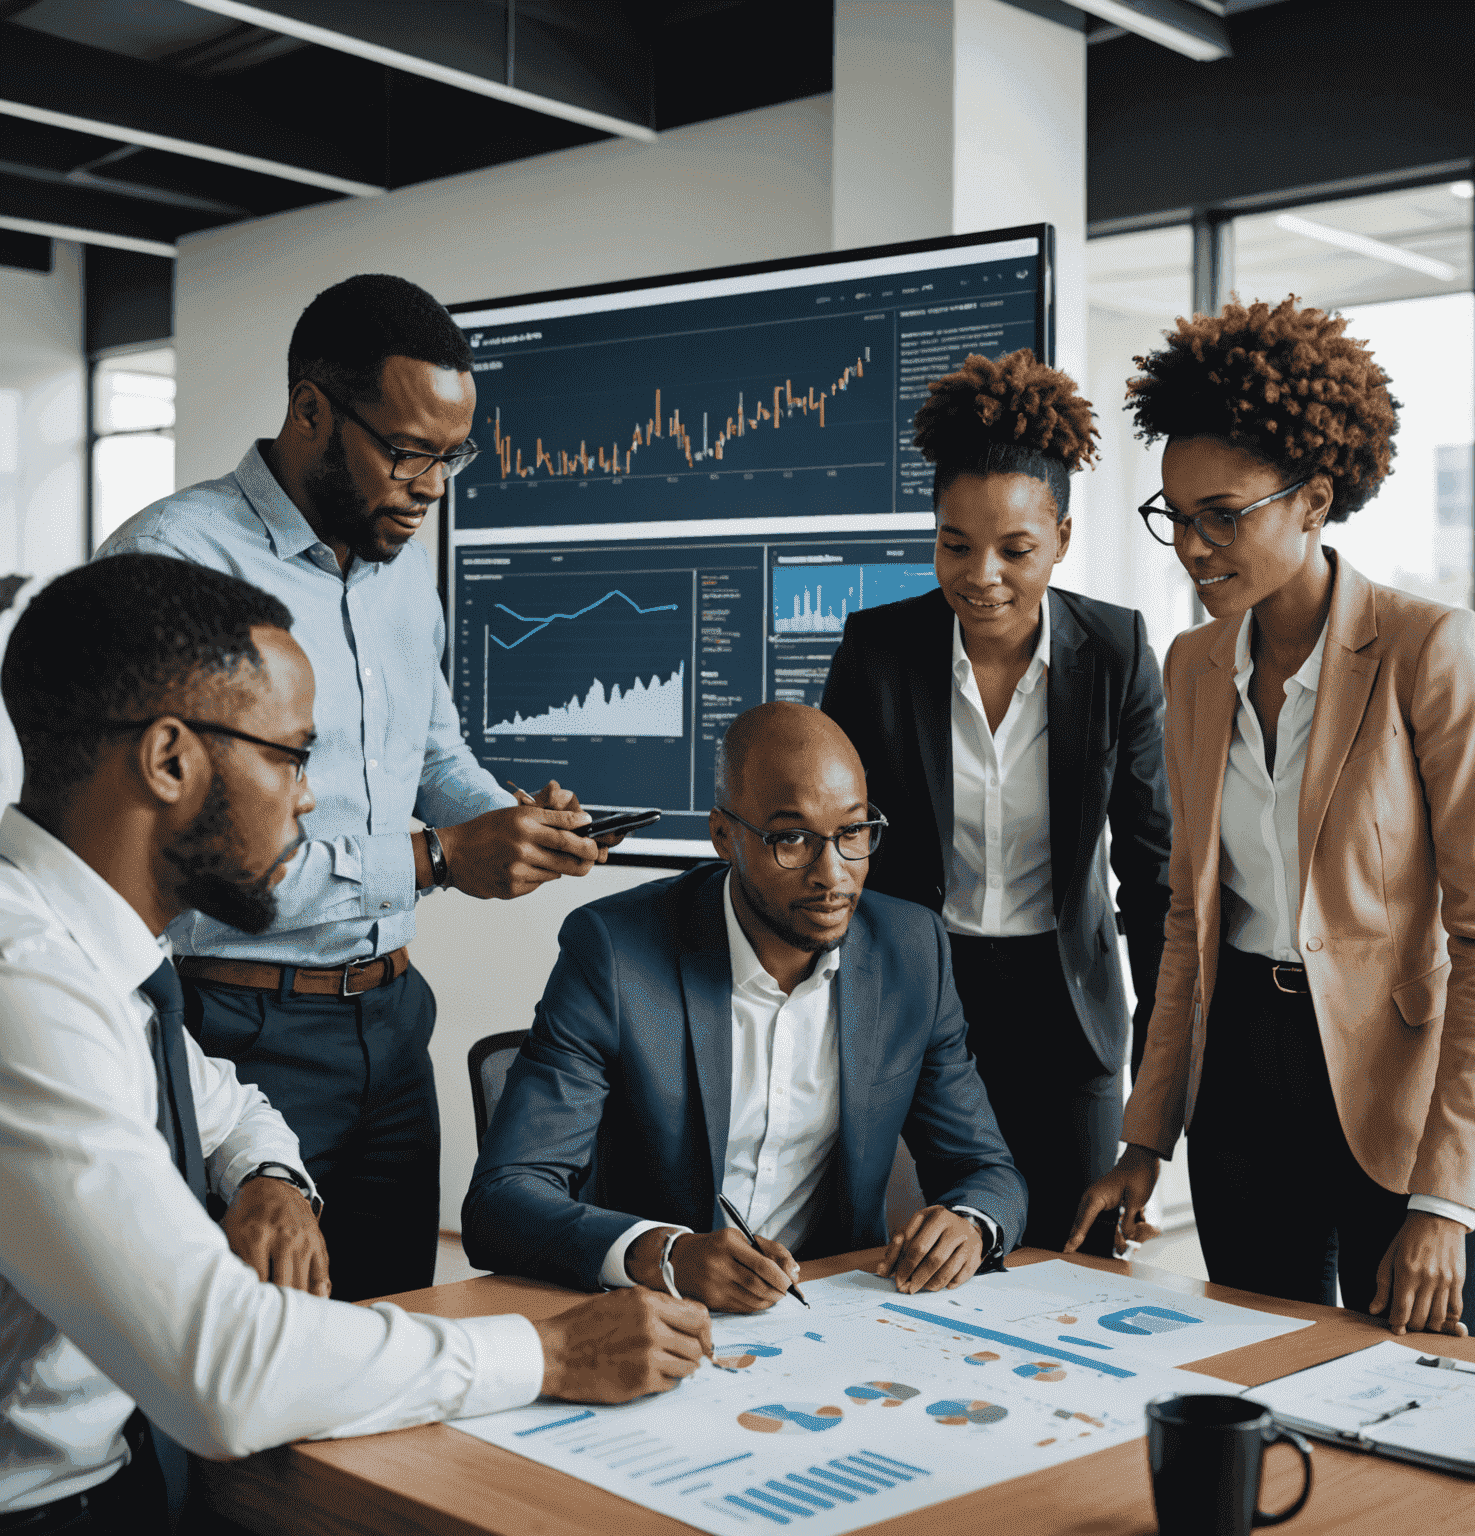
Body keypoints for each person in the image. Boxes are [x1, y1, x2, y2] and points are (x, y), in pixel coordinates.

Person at [0, 554, 712, 1534]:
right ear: (170, 761)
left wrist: (271, 1183)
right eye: (293, 756)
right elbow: (227, 1370)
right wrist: (548, 1353)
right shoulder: (25, 986)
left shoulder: (98, 952)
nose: (307, 801)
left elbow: (228, 1105)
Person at [95, 274, 616, 1301]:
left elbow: (433, 758)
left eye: (450, 458)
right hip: (234, 1034)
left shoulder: (400, 568)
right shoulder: (173, 558)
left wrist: (504, 824)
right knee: (236, 1370)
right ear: (310, 412)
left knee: (390, 1339)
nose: (431, 487)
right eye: (407, 451)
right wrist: (435, 862)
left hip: (391, 1027)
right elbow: (174, 849)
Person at [1067, 297, 1475, 1342]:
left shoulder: (1433, 650)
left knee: (1430, 1409)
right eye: (1174, 515)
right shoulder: (1191, 666)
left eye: (1222, 514)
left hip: (1412, 1091)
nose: (1190, 545)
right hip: (1244, 1085)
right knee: (1260, 1374)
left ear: (1316, 498)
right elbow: (1190, 923)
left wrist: (1445, 1201)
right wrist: (1146, 1139)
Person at [461, 702, 1027, 1308]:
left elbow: (987, 1171)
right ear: (724, 835)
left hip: (835, 1312)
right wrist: (669, 1255)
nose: (832, 875)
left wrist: (971, 1222)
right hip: (653, 1316)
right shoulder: (615, 952)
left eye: (854, 833)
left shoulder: (910, 951)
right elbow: (504, 1200)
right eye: (792, 838)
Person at [820, 349, 1173, 1255]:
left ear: (1059, 534)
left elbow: (1151, 870)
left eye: (1015, 549)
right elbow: (834, 833)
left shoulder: (1119, 652)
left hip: (1068, 1004)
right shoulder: (878, 649)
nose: (982, 575)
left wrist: (1158, 1088)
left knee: (1077, 1255)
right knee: (917, 1253)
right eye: (953, 544)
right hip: (918, 989)